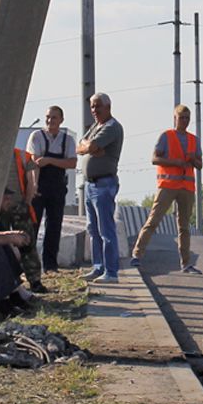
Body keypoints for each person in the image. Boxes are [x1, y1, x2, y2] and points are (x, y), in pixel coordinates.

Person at [131, 104, 203, 273]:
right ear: (175, 119)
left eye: (187, 118)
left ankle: (186, 264)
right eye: (181, 118)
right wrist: (175, 162)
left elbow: (200, 165)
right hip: (168, 185)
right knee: (153, 220)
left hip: (186, 187)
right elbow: (155, 158)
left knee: (184, 227)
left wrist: (193, 160)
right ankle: (137, 255)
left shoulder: (194, 140)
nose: (185, 121)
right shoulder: (166, 136)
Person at [77, 92, 124, 284]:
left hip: (104, 184)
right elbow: (81, 146)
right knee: (93, 229)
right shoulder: (96, 126)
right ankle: (98, 266)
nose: (94, 110)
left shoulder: (112, 127)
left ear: (108, 107)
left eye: (97, 106)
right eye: (92, 107)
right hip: (90, 185)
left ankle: (111, 272)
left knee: (106, 229)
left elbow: (91, 145)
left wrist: (91, 147)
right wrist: (90, 147)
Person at [27, 105, 78, 273]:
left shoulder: (67, 140)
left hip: (57, 187)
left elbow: (72, 163)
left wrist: (48, 160)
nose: (50, 121)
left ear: (61, 120)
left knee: (54, 226)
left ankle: (50, 265)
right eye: (48, 117)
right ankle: (29, 265)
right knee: (32, 225)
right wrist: (33, 185)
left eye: (54, 117)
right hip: (39, 186)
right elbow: (34, 161)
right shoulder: (37, 136)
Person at [0, 146, 46, 293]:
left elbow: (33, 173)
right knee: (1, 246)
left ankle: (34, 281)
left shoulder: (20, 155)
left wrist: (27, 201)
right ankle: (9, 282)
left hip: (18, 206)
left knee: (27, 243)